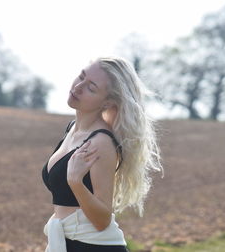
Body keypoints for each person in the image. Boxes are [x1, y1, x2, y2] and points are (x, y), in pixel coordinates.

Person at [42, 56, 163, 252]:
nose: (78, 87)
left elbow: (102, 221)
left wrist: (75, 181)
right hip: (68, 243)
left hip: (92, 246)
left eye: (91, 87)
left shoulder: (100, 142)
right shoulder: (72, 129)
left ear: (107, 103)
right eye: (81, 76)